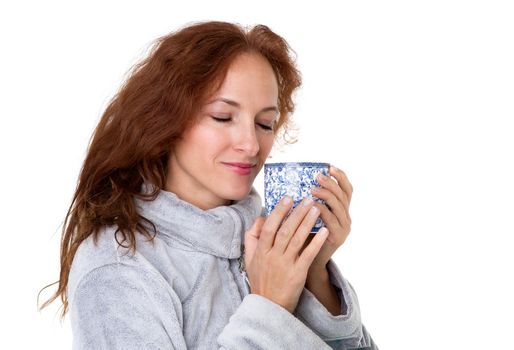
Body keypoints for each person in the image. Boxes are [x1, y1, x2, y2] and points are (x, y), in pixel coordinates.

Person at [40, 20, 378, 349]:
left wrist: (314, 274)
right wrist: (269, 307)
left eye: (265, 123)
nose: (251, 144)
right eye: (222, 117)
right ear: (165, 120)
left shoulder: (267, 242)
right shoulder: (117, 266)